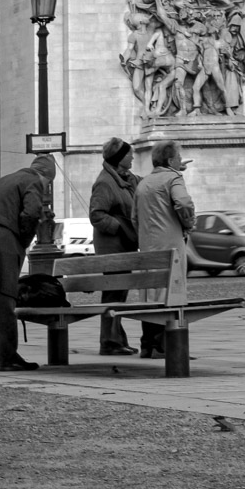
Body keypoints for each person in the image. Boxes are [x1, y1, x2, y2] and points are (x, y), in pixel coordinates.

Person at [0, 156, 56, 371]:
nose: (45, 188)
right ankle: (7, 359)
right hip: (4, 245)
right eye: (48, 184)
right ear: (45, 177)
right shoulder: (33, 182)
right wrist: (23, 240)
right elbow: (30, 213)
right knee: (5, 302)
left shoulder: (0, 181)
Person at [132, 140, 196, 359]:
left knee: (150, 295)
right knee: (172, 294)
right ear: (170, 160)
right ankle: (164, 345)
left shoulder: (143, 183)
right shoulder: (173, 179)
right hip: (170, 246)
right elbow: (184, 203)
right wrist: (188, 224)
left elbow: (134, 217)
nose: (181, 160)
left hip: (148, 247)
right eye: (178, 157)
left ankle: (147, 344)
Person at [88, 137, 140, 356]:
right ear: (120, 158)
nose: (133, 157)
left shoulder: (126, 178)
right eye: (129, 154)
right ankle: (109, 341)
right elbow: (96, 214)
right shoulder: (105, 182)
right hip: (112, 247)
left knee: (119, 294)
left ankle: (115, 339)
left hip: (123, 245)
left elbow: (145, 183)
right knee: (113, 294)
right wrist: (119, 227)